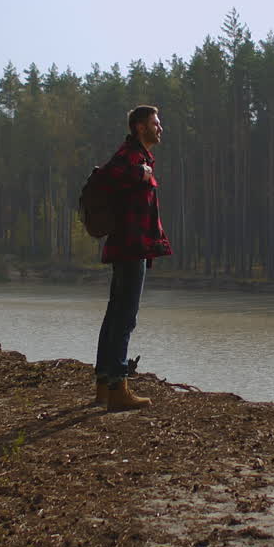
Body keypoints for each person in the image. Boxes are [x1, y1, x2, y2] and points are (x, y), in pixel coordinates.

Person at [94, 105, 172, 410]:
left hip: (130, 246)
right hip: (130, 247)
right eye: (156, 123)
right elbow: (110, 173)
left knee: (116, 315)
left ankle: (104, 384)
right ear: (140, 127)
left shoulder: (138, 156)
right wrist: (140, 172)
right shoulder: (130, 157)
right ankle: (118, 388)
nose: (160, 128)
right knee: (125, 317)